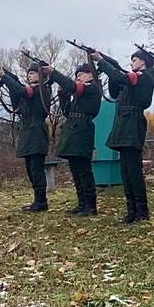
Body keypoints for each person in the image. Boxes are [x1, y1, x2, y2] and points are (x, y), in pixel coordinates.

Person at [92, 49, 154, 224]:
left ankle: (142, 211)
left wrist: (102, 62)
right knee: (125, 171)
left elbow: (121, 77)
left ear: (143, 62)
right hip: (124, 123)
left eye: (134, 59)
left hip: (132, 122)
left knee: (133, 170)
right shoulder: (133, 78)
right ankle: (131, 210)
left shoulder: (142, 76)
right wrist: (110, 68)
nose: (132, 63)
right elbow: (115, 91)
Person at [46, 61, 102, 216]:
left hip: (82, 131)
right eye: (77, 76)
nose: (78, 78)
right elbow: (67, 112)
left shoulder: (92, 88)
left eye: (81, 74)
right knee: (75, 170)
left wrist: (54, 73)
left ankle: (90, 206)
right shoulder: (80, 94)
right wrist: (62, 94)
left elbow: (73, 86)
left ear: (91, 74)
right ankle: (82, 203)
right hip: (73, 130)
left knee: (84, 171)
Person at [0, 64, 51, 211]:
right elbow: (18, 97)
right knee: (30, 169)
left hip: (37, 131)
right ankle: (37, 200)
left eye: (33, 73)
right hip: (27, 130)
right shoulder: (31, 90)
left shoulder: (41, 89)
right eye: (29, 73)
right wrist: (7, 78)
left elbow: (21, 90)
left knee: (36, 169)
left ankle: (41, 201)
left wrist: (4, 77)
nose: (30, 76)